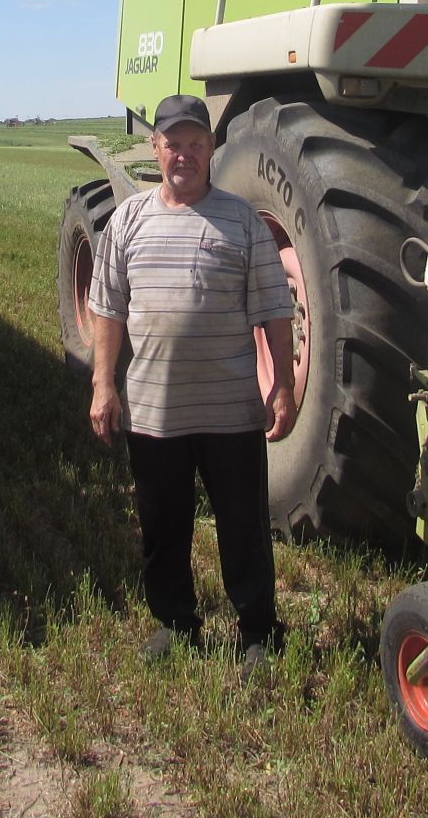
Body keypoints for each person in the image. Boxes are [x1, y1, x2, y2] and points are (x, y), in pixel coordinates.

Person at [87, 93, 296, 682]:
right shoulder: (128, 221)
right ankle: (177, 624)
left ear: (210, 149)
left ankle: (258, 631)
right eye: (172, 143)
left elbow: (274, 312)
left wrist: (280, 386)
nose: (184, 155)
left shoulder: (243, 221)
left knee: (243, 527)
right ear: (155, 148)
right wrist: (104, 385)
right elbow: (108, 312)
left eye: (195, 144)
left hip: (231, 411)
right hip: (154, 410)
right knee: (162, 525)